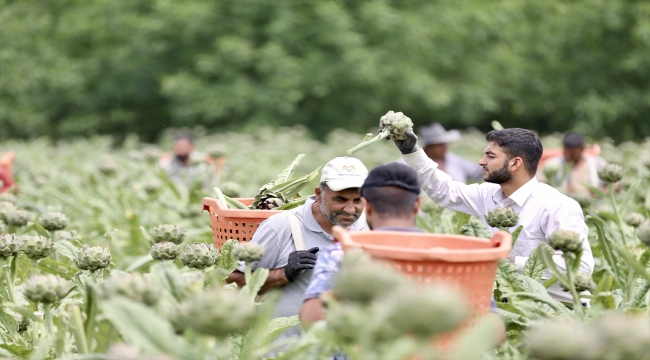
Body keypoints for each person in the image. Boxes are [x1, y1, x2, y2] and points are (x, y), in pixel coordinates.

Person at [298, 162, 506, 343]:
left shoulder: (343, 252)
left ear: (367, 206)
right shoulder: (455, 257)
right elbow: (495, 333)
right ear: (417, 206)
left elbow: (311, 319)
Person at [393, 127, 594, 304]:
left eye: (490, 156)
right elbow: (445, 191)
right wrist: (411, 151)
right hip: (510, 302)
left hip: (558, 310)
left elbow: (581, 267)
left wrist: (510, 261)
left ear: (515, 163)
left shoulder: (556, 206)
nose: (481, 161)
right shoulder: (487, 194)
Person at [226, 156, 369, 340]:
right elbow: (230, 283)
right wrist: (284, 273)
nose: (350, 210)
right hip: (281, 352)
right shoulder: (282, 226)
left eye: (358, 201)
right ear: (319, 194)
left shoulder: (368, 229)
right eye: (340, 200)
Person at [537, 132, 606, 196]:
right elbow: (537, 183)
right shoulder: (552, 164)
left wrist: (600, 193)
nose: (568, 155)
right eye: (565, 151)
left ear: (582, 149)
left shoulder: (596, 163)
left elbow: (614, 184)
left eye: (572, 153)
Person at [417, 122, 484, 183]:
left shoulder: (454, 160)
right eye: (440, 144)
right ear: (429, 147)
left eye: (445, 143)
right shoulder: (417, 165)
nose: (445, 146)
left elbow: (477, 172)